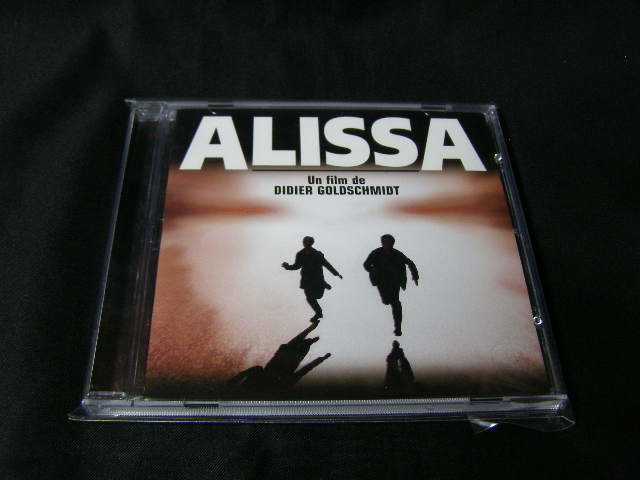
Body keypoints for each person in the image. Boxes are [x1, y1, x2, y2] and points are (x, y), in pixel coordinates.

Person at [363, 234, 419, 336]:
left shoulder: (397, 254)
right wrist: (374, 271)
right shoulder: (376, 253)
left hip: (394, 281)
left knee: (395, 303)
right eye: (386, 243)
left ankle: (398, 328)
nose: (388, 245)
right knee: (386, 301)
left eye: (389, 243)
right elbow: (366, 265)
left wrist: (415, 276)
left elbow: (410, 263)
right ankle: (390, 304)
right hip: (381, 281)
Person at [282, 236, 343, 322]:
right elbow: (297, 266)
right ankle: (319, 313)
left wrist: (336, 273)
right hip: (307, 281)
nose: (305, 244)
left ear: (310, 243)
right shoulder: (300, 254)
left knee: (318, 296)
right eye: (304, 242)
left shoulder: (318, 254)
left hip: (317, 279)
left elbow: (327, 264)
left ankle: (323, 285)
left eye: (306, 242)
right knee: (310, 298)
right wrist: (287, 267)